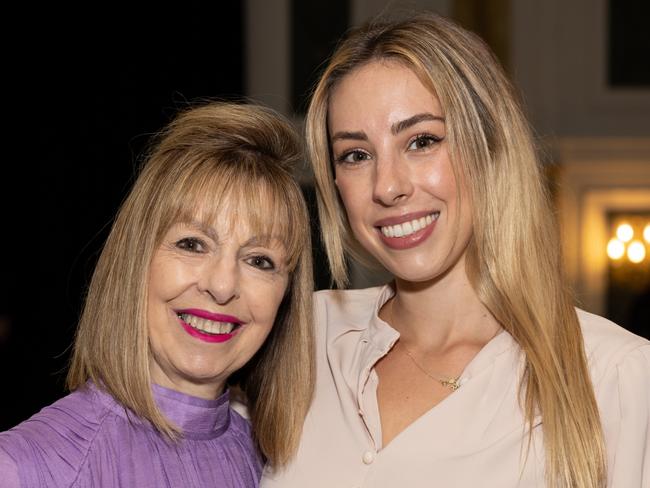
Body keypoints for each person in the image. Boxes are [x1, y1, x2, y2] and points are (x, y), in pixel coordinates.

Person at [261, 12, 649, 488]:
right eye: (356, 155)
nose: (388, 186)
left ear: (488, 147)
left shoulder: (616, 376)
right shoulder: (301, 339)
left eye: (422, 141)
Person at [0, 101, 314, 487]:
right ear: (136, 258)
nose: (221, 285)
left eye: (259, 261)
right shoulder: (24, 466)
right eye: (193, 244)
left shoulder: (284, 467)